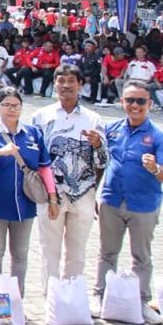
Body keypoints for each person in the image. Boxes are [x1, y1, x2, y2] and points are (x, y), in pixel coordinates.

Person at [92, 80, 163, 325]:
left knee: (141, 256)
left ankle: (141, 301)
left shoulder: (159, 137)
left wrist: (154, 168)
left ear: (149, 104)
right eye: (130, 100)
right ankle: (100, 296)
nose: (134, 105)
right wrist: (93, 194)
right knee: (107, 253)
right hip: (112, 201)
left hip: (144, 205)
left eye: (140, 101)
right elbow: (99, 162)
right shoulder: (111, 129)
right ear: (122, 102)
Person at [0, 87, 57, 298]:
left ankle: (16, 300)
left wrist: (52, 197)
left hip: (25, 204)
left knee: (20, 255)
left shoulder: (33, 133)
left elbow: (45, 167)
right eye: (6, 105)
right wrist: (0, 151)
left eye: (16, 105)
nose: (12, 109)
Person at [31, 65, 108, 298]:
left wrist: (97, 145)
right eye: (61, 81)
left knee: (77, 250)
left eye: (71, 81)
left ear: (80, 84)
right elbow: (34, 157)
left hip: (83, 194)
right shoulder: (41, 117)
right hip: (49, 194)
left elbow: (103, 161)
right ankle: (52, 297)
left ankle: (72, 297)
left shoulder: (93, 119)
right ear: (54, 84)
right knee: (49, 249)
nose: (66, 86)